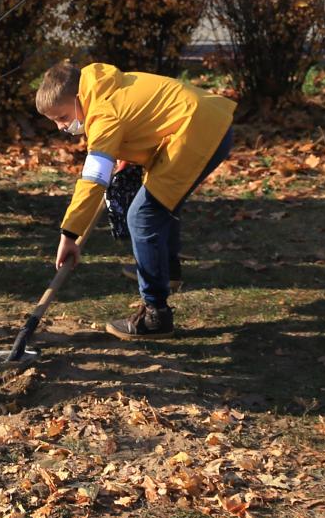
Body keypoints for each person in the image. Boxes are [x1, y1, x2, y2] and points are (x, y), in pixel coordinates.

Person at [36, 60, 235, 340]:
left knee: (143, 215)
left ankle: (155, 315)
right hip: (207, 121)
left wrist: (69, 233)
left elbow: (93, 180)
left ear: (78, 99)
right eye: (55, 122)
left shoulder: (104, 114)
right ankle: (164, 269)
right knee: (160, 202)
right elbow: (143, 118)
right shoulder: (105, 87)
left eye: (63, 117)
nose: (61, 127)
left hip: (199, 132)